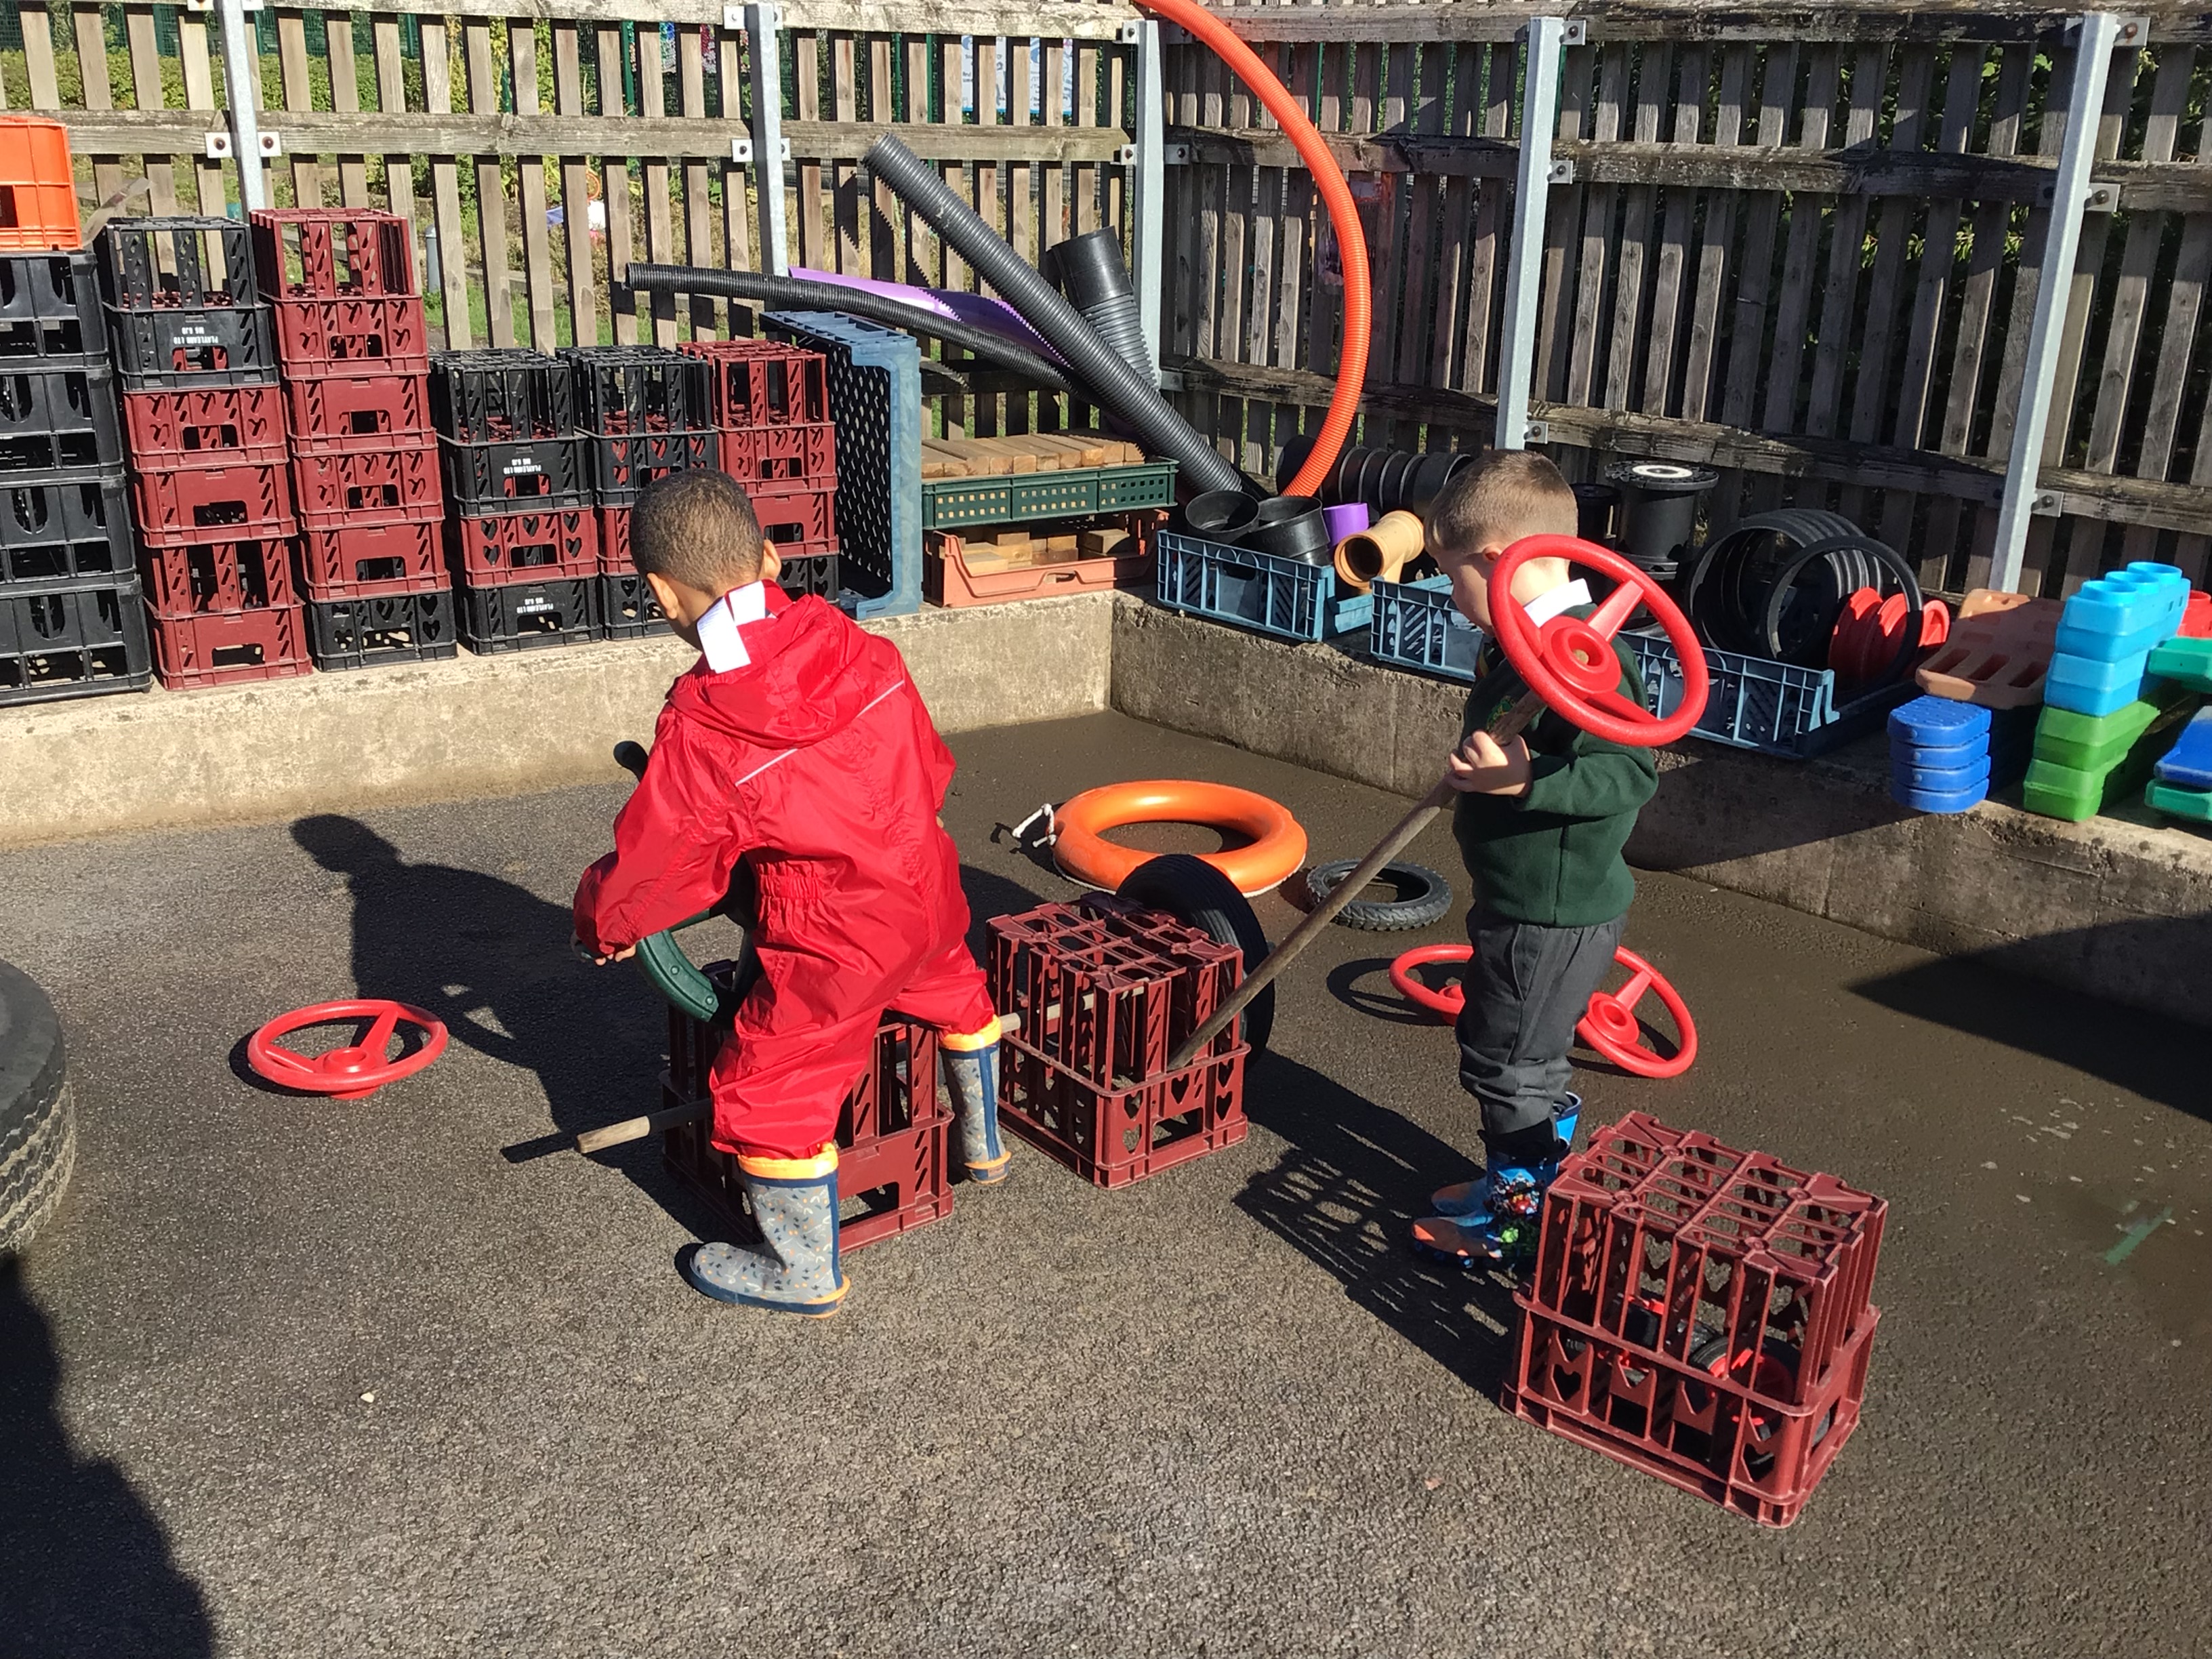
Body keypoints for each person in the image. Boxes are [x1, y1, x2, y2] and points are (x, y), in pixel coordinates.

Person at [573, 470, 1006, 1317]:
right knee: (955, 986)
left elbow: (660, 867)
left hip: (836, 943)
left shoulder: (706, 722)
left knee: (769, 1086)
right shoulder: (864, 649)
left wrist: (606, 924)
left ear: (662, 594)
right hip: (926, 891)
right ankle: (985, 1145)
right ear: (771, 557)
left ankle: (803, 1272)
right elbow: (930, 767)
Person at [1409, 452, 1656, 1266]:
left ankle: (1516, 1227)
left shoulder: (1584, 653)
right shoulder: (1523, 642)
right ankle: (1523, 1183)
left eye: (1453, 577)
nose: (1450, 596)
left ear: (1495, 561)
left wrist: (1524, 779)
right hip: (1526, 899)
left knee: (1504, 1065)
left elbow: (1630, 773)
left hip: (1548, 913)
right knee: (1525, 1058)